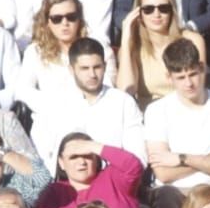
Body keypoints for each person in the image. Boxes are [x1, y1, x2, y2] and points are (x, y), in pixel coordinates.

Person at [142, 38, 210, 208]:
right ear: (169, 77)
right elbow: (164, 173)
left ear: (202, 68)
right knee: (166, 197)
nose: (188, 83)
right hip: (174, 193)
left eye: (193, 74)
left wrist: (182, 158)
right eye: (180, 78)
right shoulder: (156, 110)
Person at [31, 37, 147, 172]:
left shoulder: (123, 102)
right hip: (66, 185)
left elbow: (138, 158)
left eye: (97, 67)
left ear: (104, 66)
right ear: (71, 69)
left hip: (112, 183)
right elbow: (44, 156)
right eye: (84, 68)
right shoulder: (53, 103)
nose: (92, 74)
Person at [33, 137, 145, 208]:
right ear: (61, 162)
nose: (82, 162)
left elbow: (133, 167)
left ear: (96, 159)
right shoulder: (55, 191)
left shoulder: (113, 178)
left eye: (87, 156)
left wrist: (94, 147)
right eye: (73, 157)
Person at [117, 0, 206, 108]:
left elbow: (198, 86)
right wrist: (125, 39)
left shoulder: (192, 40)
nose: (157, 14)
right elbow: (126, 92)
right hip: (148, 118)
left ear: (172, 11)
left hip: (185, 111)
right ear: (139, 14)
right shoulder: (132, 47)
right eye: (148, 9)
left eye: (163, 8)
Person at [17, 0, 96, 125]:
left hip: (90, 119)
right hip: (50, 122)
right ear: (47, 22)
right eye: (57, 19)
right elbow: (23, 90)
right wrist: (55, 106)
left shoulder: (95, 48)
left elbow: (106, 88)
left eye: (71, 17)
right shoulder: (35, 52)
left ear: (79, 18)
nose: (64, 23)